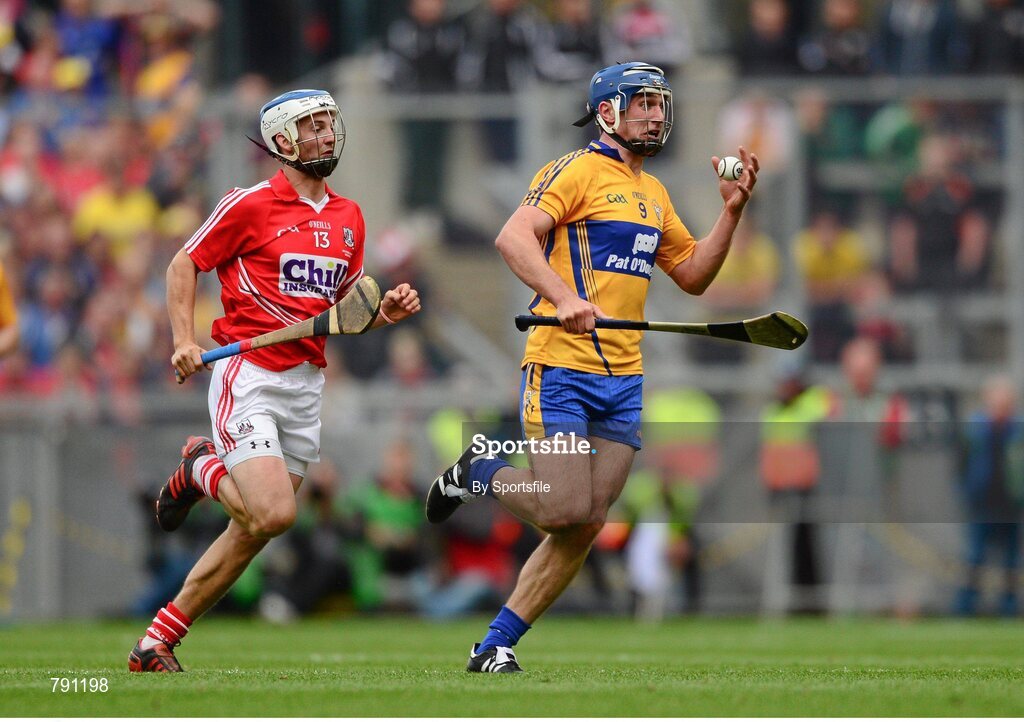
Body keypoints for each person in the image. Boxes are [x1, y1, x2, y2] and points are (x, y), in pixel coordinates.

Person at [424, 62, 758, 672]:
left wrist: (730, 213)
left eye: (661, 104)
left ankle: (495, 645)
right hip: (561, 368)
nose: (656, 114)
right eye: (642, 104)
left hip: (623, 379)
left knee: (587, 523)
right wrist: (564, 298)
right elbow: (512, 237)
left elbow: (693, 276)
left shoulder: (653, 192)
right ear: (608, 111)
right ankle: (481, 468)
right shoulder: (574, 170)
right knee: (561, 508)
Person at [127, 89, 421, 672]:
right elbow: (184, 262)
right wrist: (184, 339)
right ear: (282, 140)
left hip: (305, 383)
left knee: (256, 527)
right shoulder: (248, 204)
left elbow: (338, 310)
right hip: (249, 374)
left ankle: (156, 641)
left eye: (328, 124)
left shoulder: (349, 217)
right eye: (311, 127)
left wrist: (380, 312)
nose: (325, 136)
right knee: (276, 513)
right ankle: (200, 467)